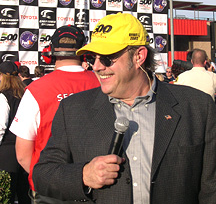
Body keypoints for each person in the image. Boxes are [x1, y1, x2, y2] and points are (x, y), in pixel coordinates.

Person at [33, 13, 216, 204]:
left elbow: (211, 187)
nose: (96, 66)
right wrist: (83, 175)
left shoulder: (197, 107)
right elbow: (43, 175)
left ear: (138, 56)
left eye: (106, 58)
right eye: (91, 57)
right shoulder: (73, 109)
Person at [9, 25, 100, 203]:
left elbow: (22, 154)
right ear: (84, 51)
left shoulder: (36, 89)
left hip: (50, 189)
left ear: (50, 52)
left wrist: (49, 179)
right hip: (96, 187)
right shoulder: (103, 83)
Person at [0, 61, 30, 204]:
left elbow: (1, 126)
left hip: (7, 152)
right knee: (24, 195)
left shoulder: (3, 96)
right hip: (25, 148)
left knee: (7, 196)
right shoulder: (26, 94)